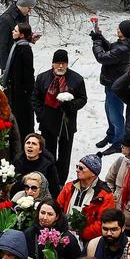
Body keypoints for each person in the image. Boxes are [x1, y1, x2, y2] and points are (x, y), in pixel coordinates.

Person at [34, 49, 86, 177]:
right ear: (53, 64)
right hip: (48, 120)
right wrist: (41, 115)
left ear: (67, 64)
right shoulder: (42, 78)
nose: (61, 66)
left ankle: (61, 180)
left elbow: (83, 99)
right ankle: (49, 177)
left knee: (65, 154)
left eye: (63, 63)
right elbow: (35, 98)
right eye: (58, 63)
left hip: (66, 121)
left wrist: (71, 105)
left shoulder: (76, 79)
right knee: (47, 152)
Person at [90, 19, 130, 154]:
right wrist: (100, 37)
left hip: (116, 85)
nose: (117, 29)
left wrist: (96, 42)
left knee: (115, 115)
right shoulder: (126, 43)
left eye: (120, 29)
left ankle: (119, 142)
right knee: (108, 110)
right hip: (111, 82)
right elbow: (111, 47)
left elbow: (102, 57)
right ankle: (111, 134)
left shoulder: (124, 48)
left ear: (125, 32)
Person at [54, 153, 115, 245]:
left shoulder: (105, 195)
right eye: (77, 166)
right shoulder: (69, 187)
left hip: (89, 242)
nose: (77, 170)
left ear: (93, 173)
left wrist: (82, 234)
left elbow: (103, 223)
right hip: (64, 236)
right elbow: (57, 209)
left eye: (81, 168)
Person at [2, 23, 35, 139]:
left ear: (21, 35)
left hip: (21, 94)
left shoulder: (24, 50)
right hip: (16, 91)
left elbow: (27, 74)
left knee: (22, 121)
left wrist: (23, 91)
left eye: (15, 31)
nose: (12, 32)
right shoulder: (18, 46)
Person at [0, 0, 35, 71]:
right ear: (23, 5)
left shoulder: (25, 15)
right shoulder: (5, 20)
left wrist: (31, 37)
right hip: (11, 65)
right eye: (29, 8)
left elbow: (23, 36)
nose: (30, 11)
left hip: (24, 61)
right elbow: (2, 47)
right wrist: (5, 69)